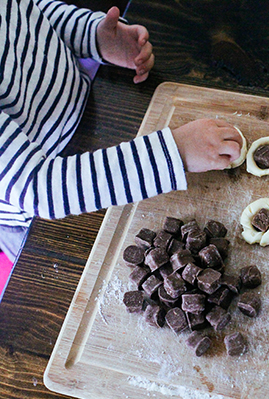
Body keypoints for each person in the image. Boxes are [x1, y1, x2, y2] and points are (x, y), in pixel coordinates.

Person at [0, 0, 244, 264]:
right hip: (44, 212)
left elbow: (28, 12)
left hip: (90, 110)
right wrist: (175, 152)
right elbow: (39, 187)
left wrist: (93, 36)